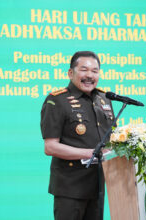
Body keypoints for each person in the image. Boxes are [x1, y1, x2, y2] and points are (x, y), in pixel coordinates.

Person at [40, 51, 114, 220]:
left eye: (95, 71)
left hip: (97, 186)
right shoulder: (57, 100)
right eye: (84, 70)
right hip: (70, 188)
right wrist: (90, 153)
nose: (90, 75)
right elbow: (50, 147)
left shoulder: (104, 99)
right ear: (70, 73)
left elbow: (111, 141)